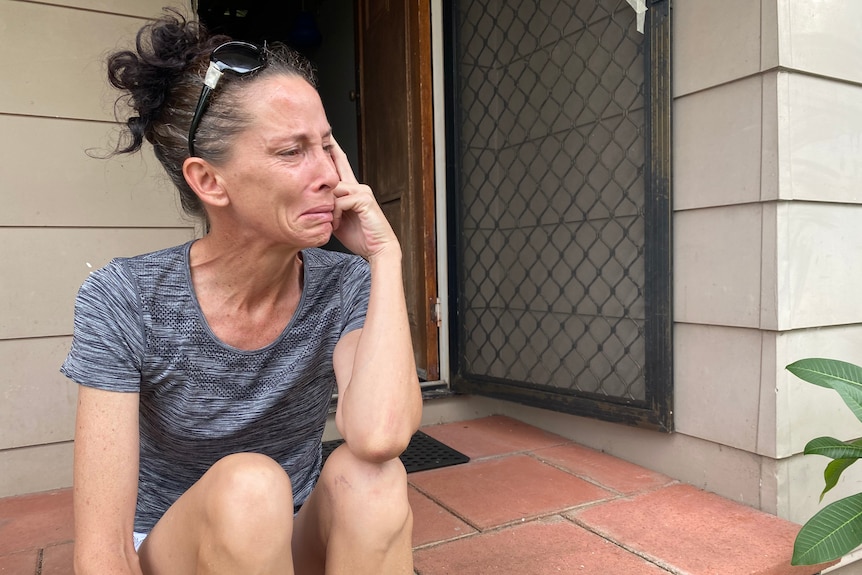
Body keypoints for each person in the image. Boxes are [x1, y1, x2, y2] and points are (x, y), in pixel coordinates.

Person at [61, 10, 422, 575]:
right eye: (291, 151)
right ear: (208, 181)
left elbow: (380, 437)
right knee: (250, 488)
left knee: (374, 478)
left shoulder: (345, 284)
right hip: (178, 549)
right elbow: (101, 552)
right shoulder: (126, 298)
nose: (330, 173)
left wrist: (386, 258)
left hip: (288, 542)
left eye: (328, 146)